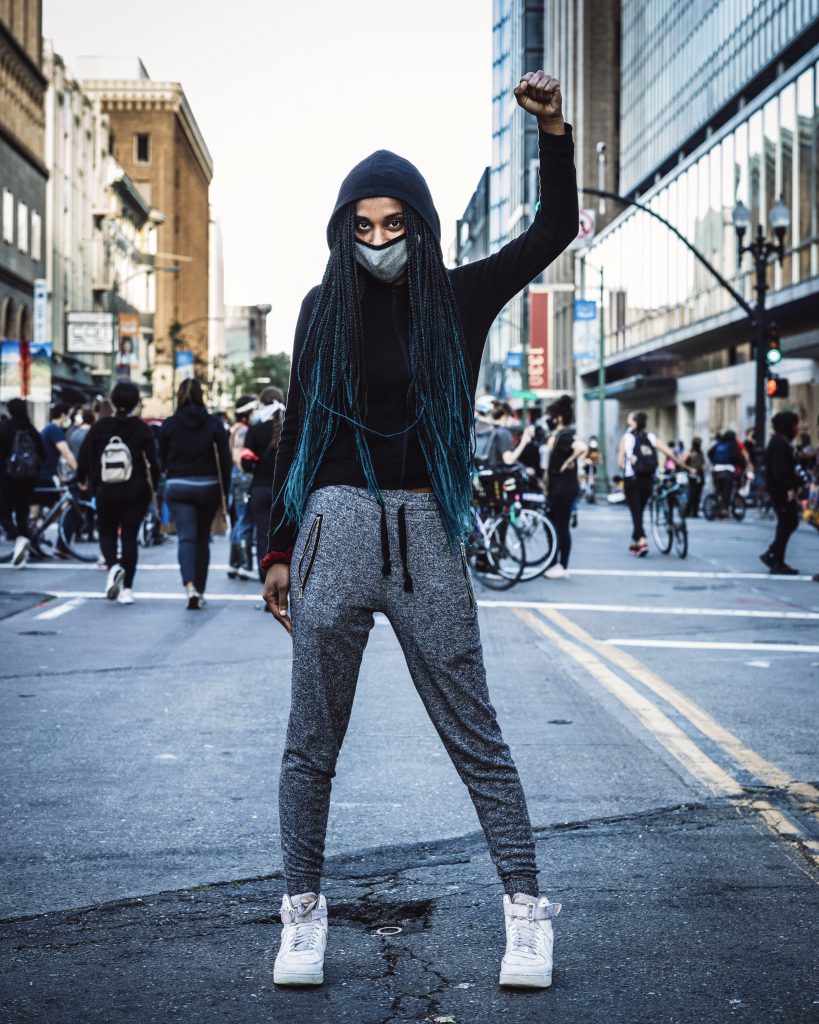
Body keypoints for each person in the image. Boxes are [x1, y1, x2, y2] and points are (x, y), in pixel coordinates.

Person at [261, 70, 576, 989]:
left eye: (395, 225)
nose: (379, 241)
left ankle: (525, 914)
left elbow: (551, 232)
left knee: (475, 730)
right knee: (310, 740)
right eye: (362, 227)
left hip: (427, 532)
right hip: (333, 528)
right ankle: (302, 917)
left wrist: (553, 132)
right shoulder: (321, 308)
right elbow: (294, 431)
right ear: (340, 229)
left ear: (421, 225)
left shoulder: (459, 297)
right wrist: (277, 549)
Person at [77, 382, 160, 604]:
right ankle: (128, 590)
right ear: (136, 402)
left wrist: (82, 479)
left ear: (113, 400)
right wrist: (156, 485)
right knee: (130, 536)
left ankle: (113, 566)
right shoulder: (142, 428)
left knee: (107, 533)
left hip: (106, 488)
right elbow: (154, 461)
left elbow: (85, 457)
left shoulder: (100, 427)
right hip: (136, 488)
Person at [159, 379, 232, 609]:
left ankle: (189, 586)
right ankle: (200, 589)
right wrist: (225, 493)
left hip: (178, 485)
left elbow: (160, 458)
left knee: (186, 538)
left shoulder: (169, 424)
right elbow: (225, 460)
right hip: (207, 486)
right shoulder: (213, 423)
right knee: (202, 539)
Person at [617, 411, 680, 556]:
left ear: (633, 422)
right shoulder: (651, 437)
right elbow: (669, 452)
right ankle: (634, 542)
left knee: (636, 512)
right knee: (640, 511)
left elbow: (620, 462)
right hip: (648, 480)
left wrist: (627, 463)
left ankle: (642, 541)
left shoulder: (626, 438)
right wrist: (682, 465)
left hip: (631, 479)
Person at [242, 387, 285, 581]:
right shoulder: (290, 430)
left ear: (262, 405)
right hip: (285, 492)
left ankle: (265, 577)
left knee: (262, 535)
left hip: (259, 489)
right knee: (284, 536)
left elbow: (246, 464)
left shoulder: (255, 431)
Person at [543, 395, 587, 580]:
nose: (550, 420)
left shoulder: (565, 435)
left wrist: (569, 461)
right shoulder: (558, 436)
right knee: (551, 525)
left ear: (559, 418)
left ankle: (562, 565)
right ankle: (554, 562)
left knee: (560, 527)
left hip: (564, 489)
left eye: (552, 416)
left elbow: (582, 447)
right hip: (557, 488)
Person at [0, 398, 45, 566]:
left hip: (8, 478)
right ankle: (23, 552)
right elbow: (42, 454)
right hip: (29, 480)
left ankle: (19, 539)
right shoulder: (31, 429)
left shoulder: (5, 428)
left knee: (4, 513)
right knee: (22, 514)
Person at [760, 411, 801, 575]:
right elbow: (780, 470)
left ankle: (774, 555)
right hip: (781, 491)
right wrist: (789, 488)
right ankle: (775, 557)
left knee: (788, 522)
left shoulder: (780, 442)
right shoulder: (779, 443)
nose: (797, 428)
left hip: (780, 490)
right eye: (795, 425)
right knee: (788, 522)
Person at [227, 395, 257, 580]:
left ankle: (235, 563)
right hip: (242, 477)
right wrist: (246, 474)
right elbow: (238, 457)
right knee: (244, 518)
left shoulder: (235, 429)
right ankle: (243, 565)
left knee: (240, 518)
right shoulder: (242, 431)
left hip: (237, 477)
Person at [707, 429, 745, 515]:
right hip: (728, 470)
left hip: (716, 470)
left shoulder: (719, 444)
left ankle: (716, 505)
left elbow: (709, 453)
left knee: (718, 489)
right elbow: (737, 457)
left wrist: (715, 462)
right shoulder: (733, 444)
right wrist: (741, 466)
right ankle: (724, 509)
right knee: (727, 490)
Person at [38, 404, 77, 487]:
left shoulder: (48, 428)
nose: (68, 419)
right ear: (62, 415)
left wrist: (60, 476)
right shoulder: (55, 430)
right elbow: (67, 453)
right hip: (44, 477)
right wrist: (80, 472)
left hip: (43, 475)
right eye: (68, 416)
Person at [681, 436, 705, 517]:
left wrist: (703, 467)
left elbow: (703, 462)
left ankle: (695, 512)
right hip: (692, 476)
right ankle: (687, 511)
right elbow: (682, 463)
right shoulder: (689, 452)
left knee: (698, 495)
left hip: (700, 475)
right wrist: (689, 468)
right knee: (691, 494)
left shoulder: (700, 452)